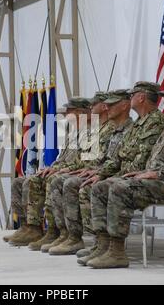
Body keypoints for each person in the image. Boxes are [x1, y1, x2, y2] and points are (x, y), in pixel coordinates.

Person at [88, 82, 164, 269]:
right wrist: (143, 173)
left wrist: (158, 173)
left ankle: (117, 251)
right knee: (100, 187)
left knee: (119, 188)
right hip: (154, 181)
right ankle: (103, 244)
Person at [78, 81, 164, 265]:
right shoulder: (138, 125)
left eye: (133, 94)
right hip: (128, 176)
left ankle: (116, 251)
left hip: (142, 179)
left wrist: (112, 176)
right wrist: (101, 173)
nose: (131, 97)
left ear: (141, 97)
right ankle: (103, 245)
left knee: (109, 187)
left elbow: (142, 161)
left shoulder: (156, 123)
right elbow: (119, 157)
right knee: (96, 185)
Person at [49, 89, 133, 256]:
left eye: (69, 111)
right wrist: (61, 167)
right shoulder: (88, 130)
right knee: (54, 179)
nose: (91, 107)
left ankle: (88, 238)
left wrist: (95, 172)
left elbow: (101, 159)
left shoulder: (110, 128)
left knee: (71, 182)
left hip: (112, 173)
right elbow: (84, 159)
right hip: (100, 171)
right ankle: (59, 232)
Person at [7, 97, 92, 248]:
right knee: (20, 182)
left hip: (76, 173)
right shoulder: (72, 132)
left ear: (81, 112)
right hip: (63, 170)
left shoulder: (91, 132)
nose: (66, 114)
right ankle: (28, 226)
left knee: (49, 180)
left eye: (70, 110)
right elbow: (62, 158)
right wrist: (52, 166)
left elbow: (87, 162)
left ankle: (57, 231)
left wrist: (59, 169)